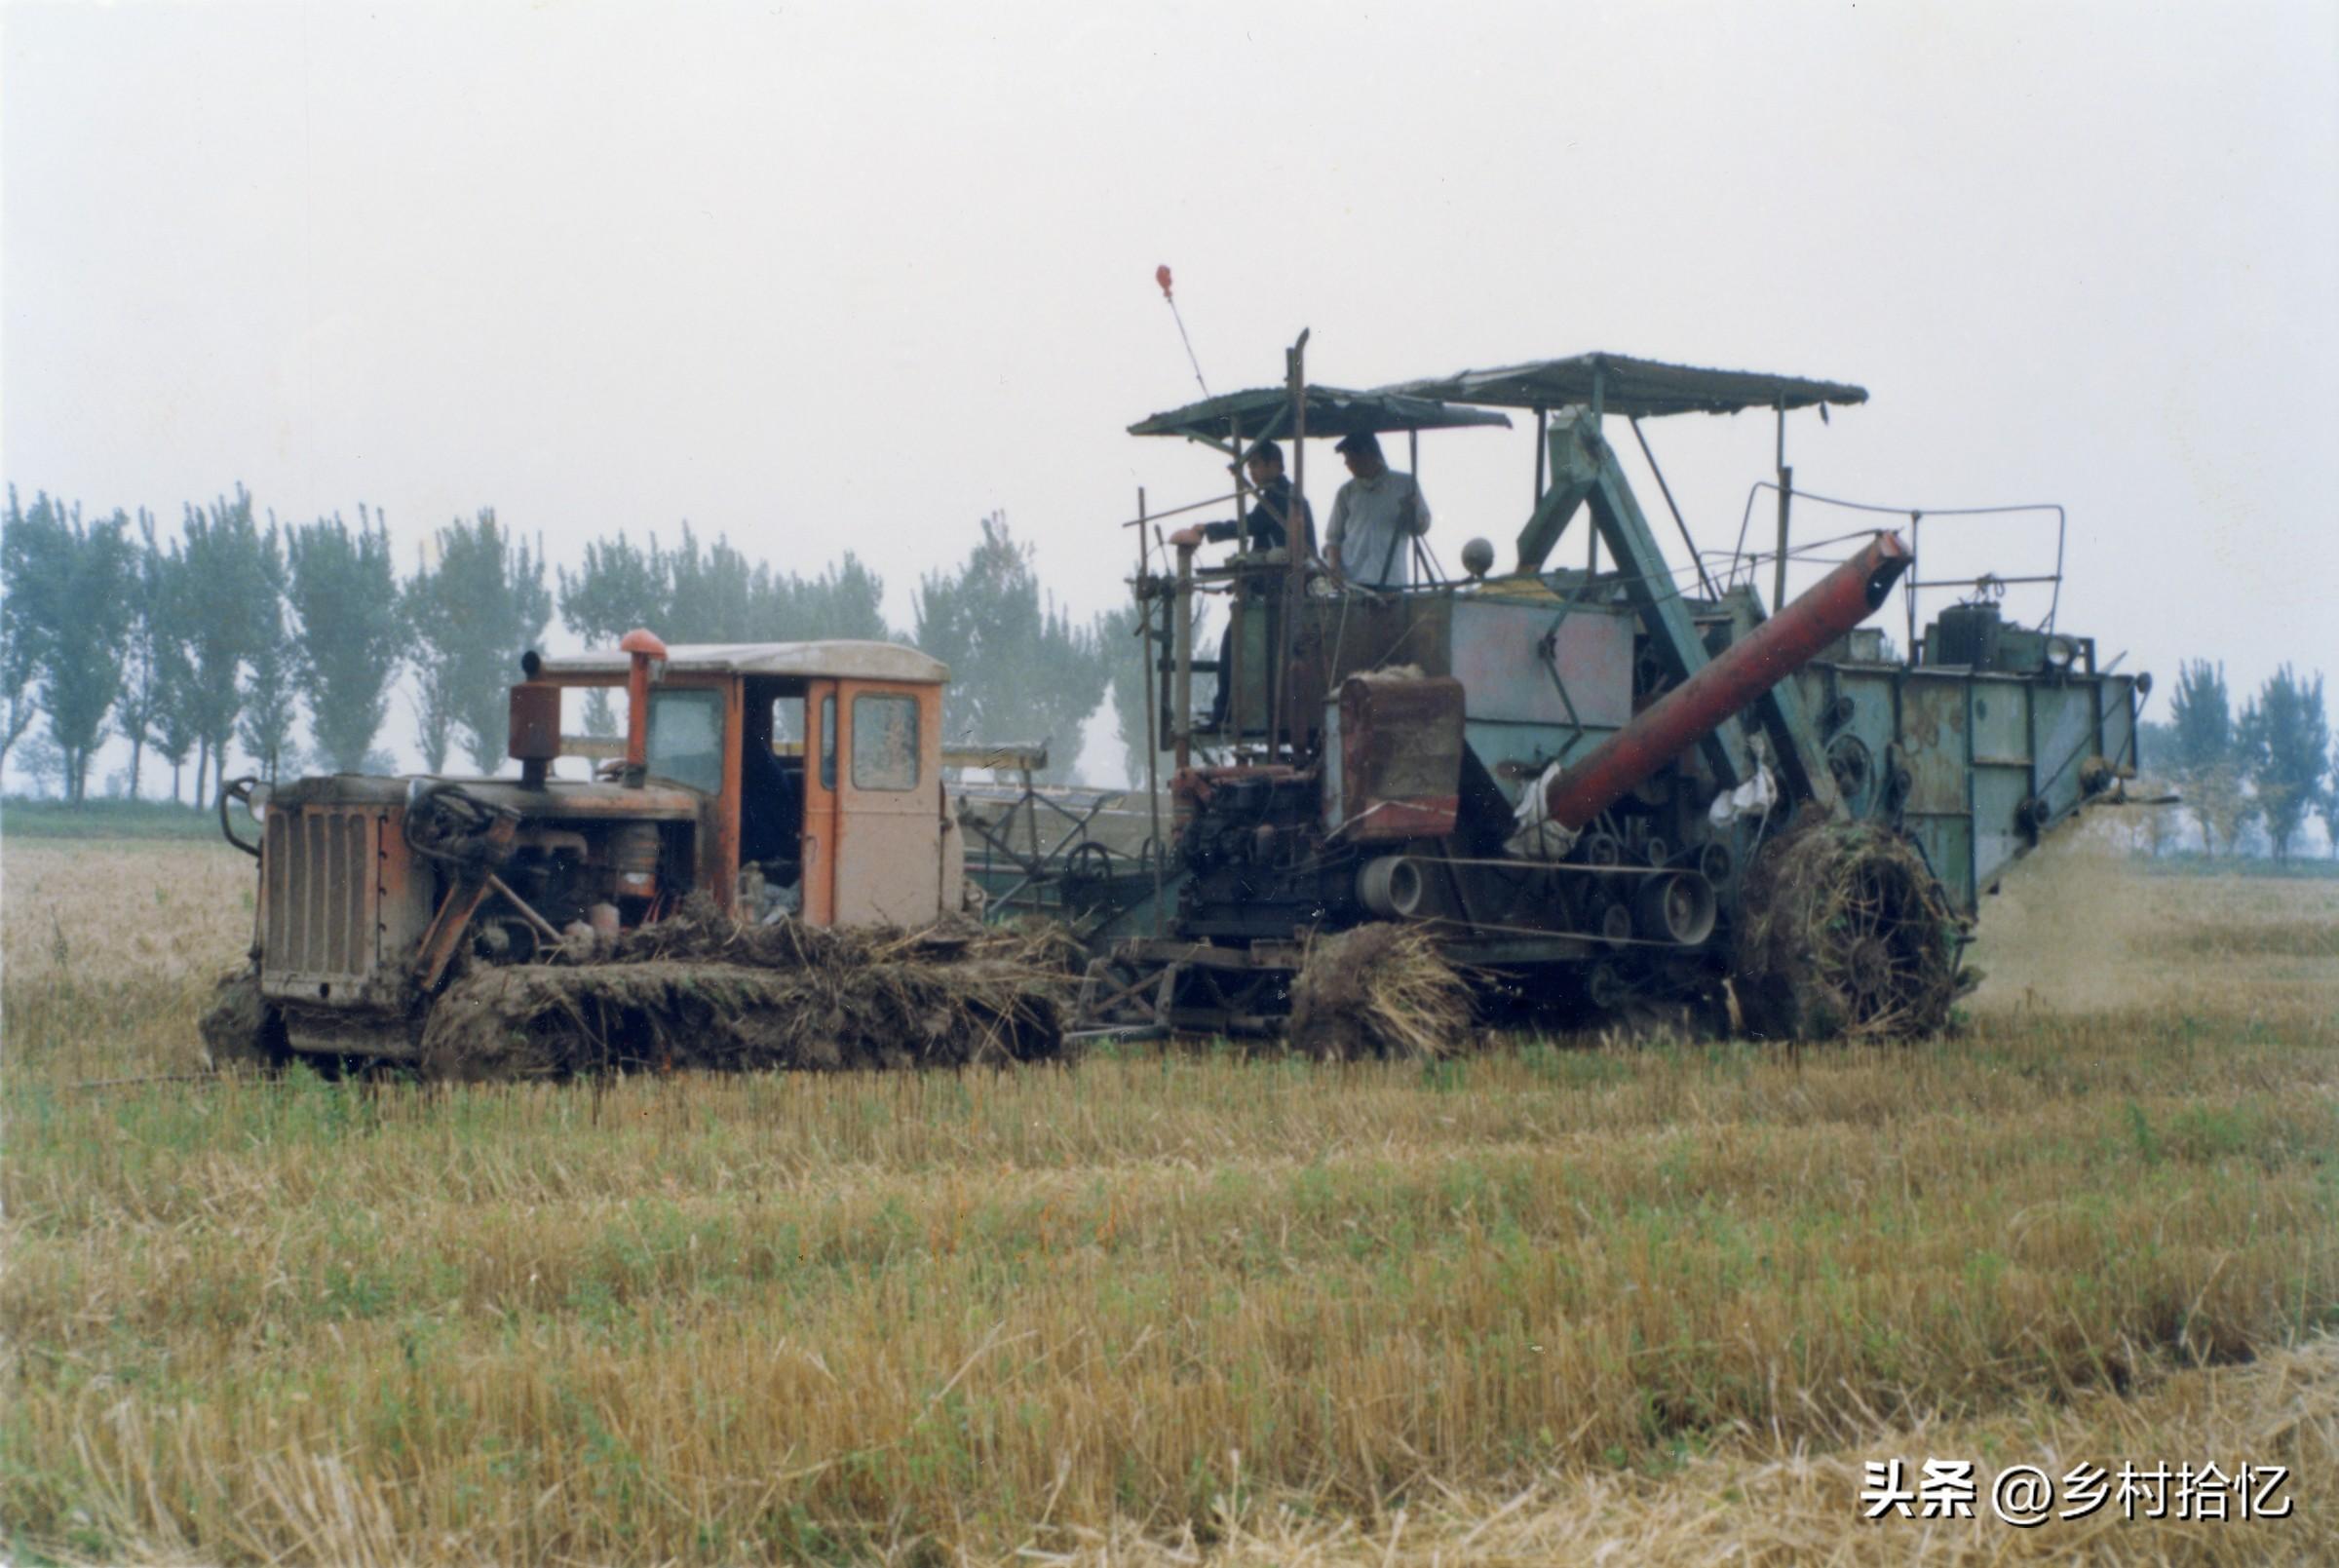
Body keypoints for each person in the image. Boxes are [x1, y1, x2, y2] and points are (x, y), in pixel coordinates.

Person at [1168, 440, 1317, 731]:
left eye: (1257, 464)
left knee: (1232, 646)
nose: (1253, 471)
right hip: (1275, 589)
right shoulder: (1281, 496)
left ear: (1277, 465)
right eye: (1250, 466)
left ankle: (1224, 714)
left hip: (1281, 593)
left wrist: (1207, 529)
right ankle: (1228, 712)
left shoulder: (1281, 497)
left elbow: (1250, 525)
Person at [1324, 430, 1431, 589]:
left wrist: (1412, 512)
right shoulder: (1346, 491)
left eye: (1349, 457)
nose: (1346, 463)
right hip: (1354, 580)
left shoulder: (1405, 484)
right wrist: (1334, 568)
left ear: (1366, 455)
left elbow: (1421, 527)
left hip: (1391, 579)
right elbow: (1333, 538)